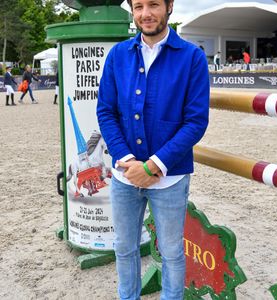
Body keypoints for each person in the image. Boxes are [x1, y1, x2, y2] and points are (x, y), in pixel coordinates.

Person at [97, 0, 209, 299]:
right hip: (125, 175)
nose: (146, 14)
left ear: (170, 6)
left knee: (171, 251)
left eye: (154, 5)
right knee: (124, 247)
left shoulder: (192, 57)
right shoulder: (118, 55)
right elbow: (106, 112)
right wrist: (129, 160)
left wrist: (154, 165)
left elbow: (196, 122)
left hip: (170, 179)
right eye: (139, 6)